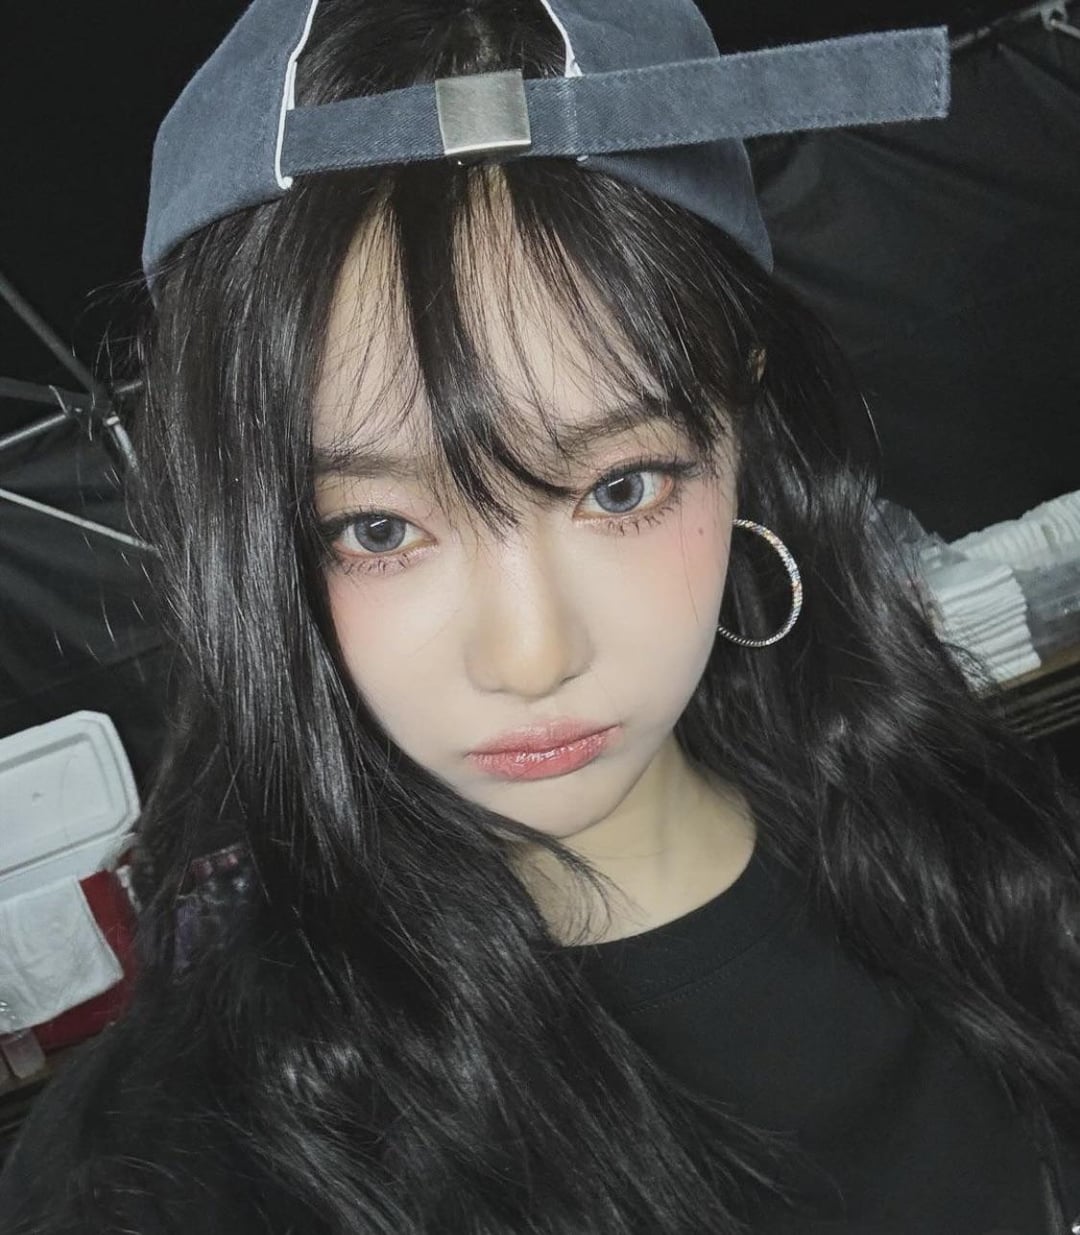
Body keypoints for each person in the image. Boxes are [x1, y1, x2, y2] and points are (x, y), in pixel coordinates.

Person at [3, 1, 1080, 1232]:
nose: (532, 655)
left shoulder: (1000, 870)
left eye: (620, 487)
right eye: (377, 527)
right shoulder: (169, 1169)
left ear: (742, 421)